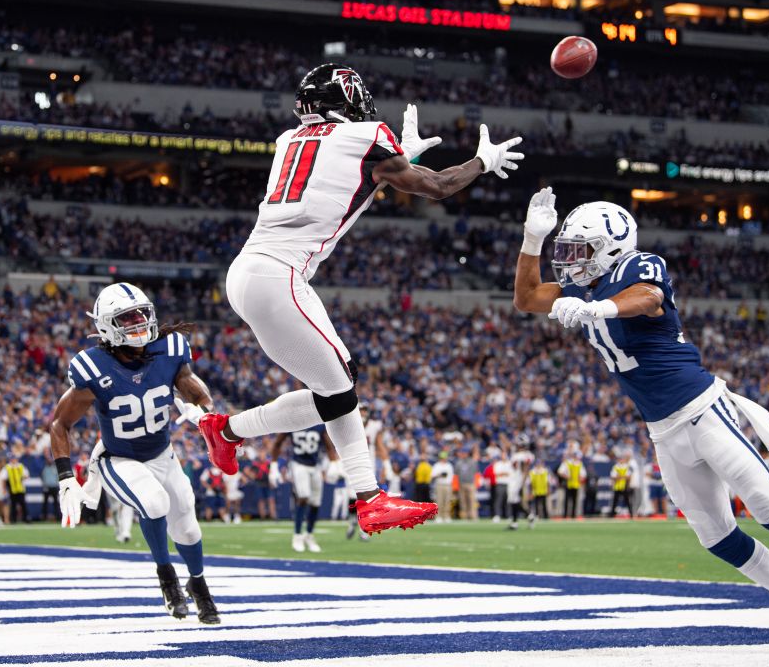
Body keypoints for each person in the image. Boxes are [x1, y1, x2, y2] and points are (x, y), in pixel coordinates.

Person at [195, 64, 524, 534]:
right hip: (280, 275)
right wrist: (481, 163)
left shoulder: (288, 140)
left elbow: (345, 177)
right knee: (341, 393)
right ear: (347, 100)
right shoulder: (369, 135)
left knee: (336, 392)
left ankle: (225, 431)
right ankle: (369, 499)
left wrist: (396, 159)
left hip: (248, 272)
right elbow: (437, 186)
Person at [512, 187, 769, 652]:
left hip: (702, 409)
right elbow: (526, 298)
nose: (568, 261)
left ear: (610, 247)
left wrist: (595, 308)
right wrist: (531, 239)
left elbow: (646, 298)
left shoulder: (637, 265)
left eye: (578, 250)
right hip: (662, 431)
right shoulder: (583, 286)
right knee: (715, 536)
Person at [49, 282, 221, 624]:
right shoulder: (94, 366)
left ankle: (198, 584)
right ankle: (166, 577)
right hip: (119, 458)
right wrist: (67, 476)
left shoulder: (170, 349)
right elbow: (59, 424)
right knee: (155, 502)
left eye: (142, 313)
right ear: (107, 326)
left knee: (187, 527)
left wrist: (202, 411)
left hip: (163, 453)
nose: (139, 322)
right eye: (128, 318)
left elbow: (197, 393)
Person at [272, 425, 336, 553]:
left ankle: (309, 535)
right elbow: (278, 442)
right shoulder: (292, 421)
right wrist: (273, 466)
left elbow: (329, 445)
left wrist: (334, 463)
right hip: (298, 464)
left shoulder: (319, 424)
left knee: (316, 503)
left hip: (315, 466)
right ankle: (297, 535)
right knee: (303, 497)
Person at [454, 445, 480, 520]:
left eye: (464, 453)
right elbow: (456, 474)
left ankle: (473, 516)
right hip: (461, 484)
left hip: (471, 484)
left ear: (467, 453)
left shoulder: (473, 462)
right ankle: (464, 517)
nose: (463, 454)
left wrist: (476, 484)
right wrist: (456, 486)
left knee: (472, 501)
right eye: (462, 453)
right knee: (463, 502)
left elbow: (477, 474)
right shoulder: (459, 462)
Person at [558, 450, 586, 519]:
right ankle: (565, 515)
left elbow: (583, 474)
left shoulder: (579, 463)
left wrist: (581, 478)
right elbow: (560, 472)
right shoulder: (567, 462)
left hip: (576, 484)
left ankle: (573, 515)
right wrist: (566, 476)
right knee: (567, 500)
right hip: (568, 484)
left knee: (574, 500)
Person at [5, 453, 30, 524]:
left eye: (14, 458)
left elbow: (27, 475)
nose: (13, 460)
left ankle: (26, 518)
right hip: (12, 489)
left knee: (23, 504)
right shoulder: (8, 467)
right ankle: (13, 519)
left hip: (20, 488)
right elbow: (3, 478)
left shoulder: (21, 466)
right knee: (13, 505)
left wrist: (22, 478)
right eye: (12, 459)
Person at [430, 451, 455, 522]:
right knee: (439, 501)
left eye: (444, 458)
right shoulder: (437, 465)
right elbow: (432, 475)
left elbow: (451, 476)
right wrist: (440, 474)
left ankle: (446, 516)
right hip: (439, 484)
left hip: (447, 485)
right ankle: (438, 517)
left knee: (447, 501)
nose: (443, 459)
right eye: (442, 458)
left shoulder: (449, 465)